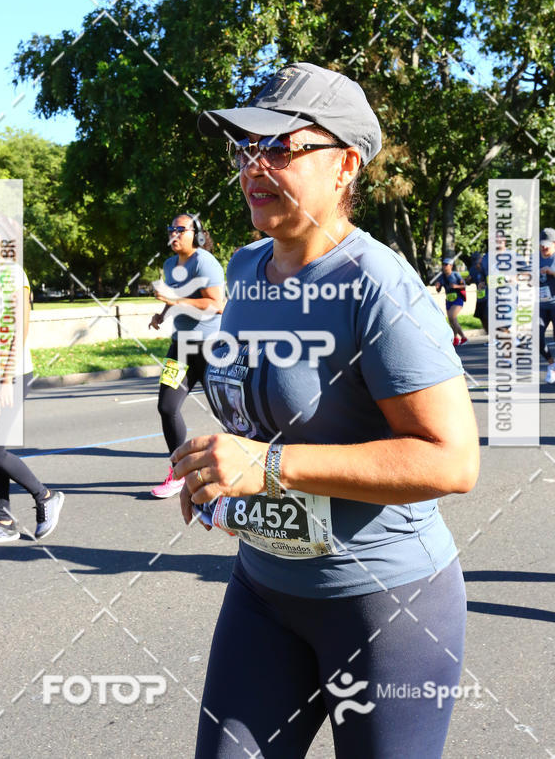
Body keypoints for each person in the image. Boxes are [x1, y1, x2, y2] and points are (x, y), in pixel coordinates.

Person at [170, 63, 480, 758]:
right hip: (264, 591)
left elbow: (452, 459)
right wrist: (224, 477)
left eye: (280, 148)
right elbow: (262, 418)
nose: (254, 164)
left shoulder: (377, 285)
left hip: (386, 605)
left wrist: (270, 466)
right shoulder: (246, 271)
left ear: (345, 164)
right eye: (245, 147)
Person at [0, 215, 64, 547]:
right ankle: (2, 520)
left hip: (11, 373)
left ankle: (44, 495)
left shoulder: (12, 274)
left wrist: (4, 379)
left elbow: (19, 327)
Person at [149, 214, 224, 498]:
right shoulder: (170, 265)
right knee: (167, 406)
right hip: (180, 347)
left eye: (181, 229)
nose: (174, 233)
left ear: (197, 234)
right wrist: (162, 314)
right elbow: (174, 297)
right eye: (171, 229)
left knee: (224, 411)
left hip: (210, 347)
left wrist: (174, 300)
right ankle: (178, 473)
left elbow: (217, 305)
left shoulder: (204, 262)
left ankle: (244, 466)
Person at [435, 258, 468, 345]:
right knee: (451, 320)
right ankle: (459, 338)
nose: (444, 266)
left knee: (452, 318)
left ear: (451, 266)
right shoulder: (442, 277)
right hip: (449, 300)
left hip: (458, 299)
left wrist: (456, 286)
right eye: (443, 264)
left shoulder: (456, 275)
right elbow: (438, 290)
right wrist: (437, 287)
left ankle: (459, 337)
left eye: (446, 264)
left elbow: (464, 285)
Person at [538, 227, 555, 384]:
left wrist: (551, 272)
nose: (543, 248)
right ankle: (552, 364)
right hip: (541, 305)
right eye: (541, 244)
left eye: (547, 245)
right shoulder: (536, 258)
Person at [466, 251, 488, 333]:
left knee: (488, 315)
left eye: (478, 262)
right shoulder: (473, 269)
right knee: (481, 317)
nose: (477, 265)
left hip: (489, 296)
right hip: (480, 297)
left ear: (481, 259)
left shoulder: (487, 267)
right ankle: (488, 334)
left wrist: (485, 283)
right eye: (475, 263)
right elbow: (469, 281)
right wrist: (468, 281)